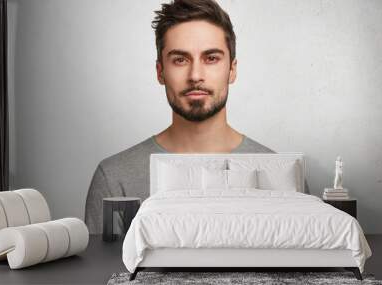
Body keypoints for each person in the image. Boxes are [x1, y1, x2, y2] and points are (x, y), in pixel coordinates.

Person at [85, 0, 309, 235]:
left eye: (211, 58)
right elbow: (104, 271)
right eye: (180, 60)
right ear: (160, 72)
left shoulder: (283, 174)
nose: (195, 75)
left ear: (232, 70)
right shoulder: (114, 178)